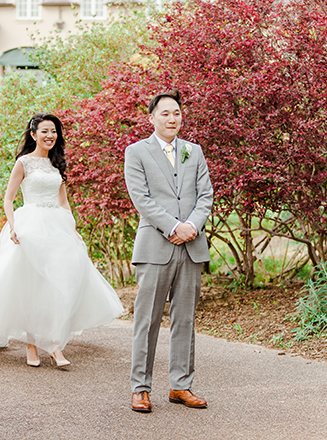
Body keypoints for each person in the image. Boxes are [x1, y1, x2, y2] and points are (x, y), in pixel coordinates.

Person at [0, 113, 124, 368]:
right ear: (33, 134)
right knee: (30, 283)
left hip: (56, 226)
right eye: (45, 131)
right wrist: (14, 226)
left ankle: (54, 345)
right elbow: (8, 199)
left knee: (60, 283)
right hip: (29, 224)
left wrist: (71, 229)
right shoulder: (24, 163)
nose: (50, 136)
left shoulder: (57, 164)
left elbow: (64, 202)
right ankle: (30, 344)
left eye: (54, 131)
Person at [124, 90, 214, 412]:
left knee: (185, 319)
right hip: (155, 246)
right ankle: (140, 387)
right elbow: (141, 198)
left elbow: (205, 195)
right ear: (152, 118)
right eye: (165, 113)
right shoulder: (136, 152)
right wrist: (174, 226)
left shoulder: (195, 151)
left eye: (176, 112)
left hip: (192, 246)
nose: (172, 118)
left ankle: (181, 385)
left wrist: (191, 225)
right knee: (146, 320)